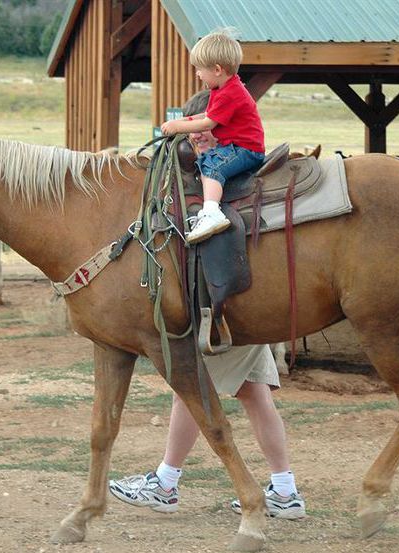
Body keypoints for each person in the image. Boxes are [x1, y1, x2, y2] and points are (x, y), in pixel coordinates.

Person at [109, 93, 305, 521]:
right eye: (193, 132)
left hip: (225, 316)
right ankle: (286, 492)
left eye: (204, 130)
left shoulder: (212, 184)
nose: (198, 140)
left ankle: (165, 483)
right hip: (246, 314)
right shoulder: (227, 182)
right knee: (256, 397)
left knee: (191, 392)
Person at [160, 29, 265, 244]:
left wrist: (178, 127)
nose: (197, 74)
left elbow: (209, 122)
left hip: (245, 149)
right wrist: (184, 122)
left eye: (199, 69)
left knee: (211, 167)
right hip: (240, 146)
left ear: (217, 69)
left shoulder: (230, 93)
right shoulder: (223, 89)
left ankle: (211, 212)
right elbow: (207, 115)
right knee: (208, 161)